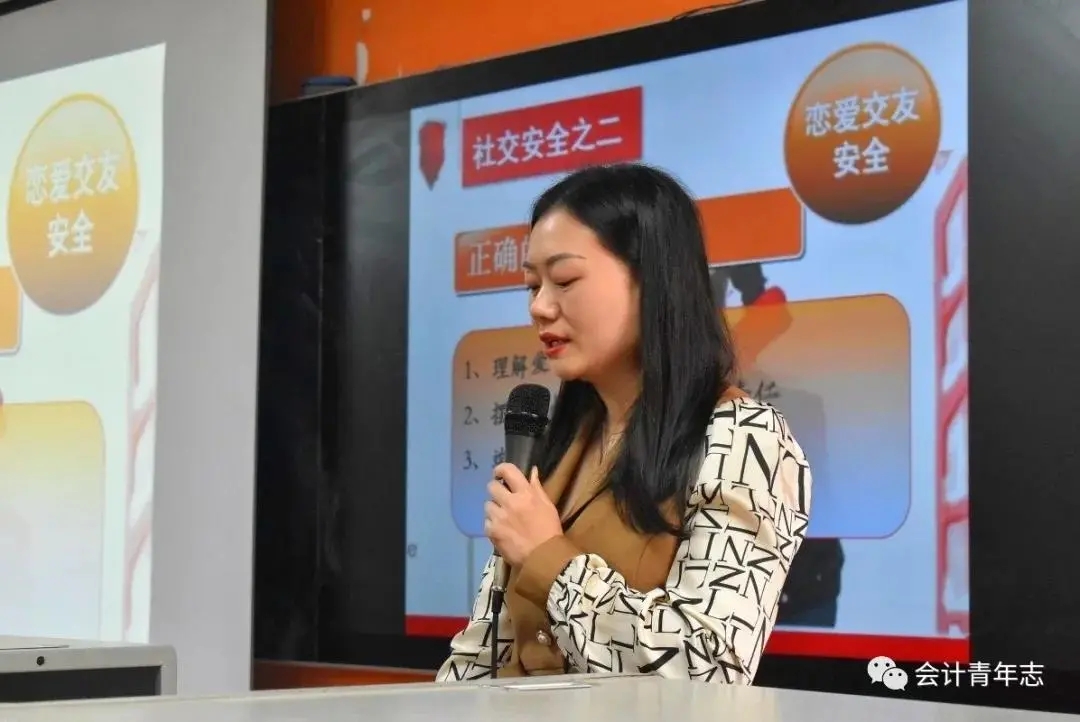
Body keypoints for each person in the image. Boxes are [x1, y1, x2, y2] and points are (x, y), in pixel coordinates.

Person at [436, 163, 813, 684]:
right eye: (532, 285)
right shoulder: (560, 440)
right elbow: (482, 653)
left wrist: (548, 558)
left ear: (652, 280)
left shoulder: (745, 437)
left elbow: (710, 668)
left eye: (565, 280)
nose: (540, 307)